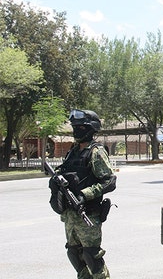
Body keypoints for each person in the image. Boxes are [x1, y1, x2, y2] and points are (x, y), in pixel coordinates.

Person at [49, 109, 116, 279]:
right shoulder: (73, 151)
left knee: (91, 256)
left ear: (90, 129)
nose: (76, 130)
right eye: (74, 126)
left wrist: (85, 195)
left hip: (87, 214)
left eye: (80, 127)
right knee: (74, 255)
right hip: (70, 215)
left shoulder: (96, 152)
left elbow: (109, 181)